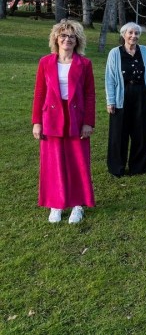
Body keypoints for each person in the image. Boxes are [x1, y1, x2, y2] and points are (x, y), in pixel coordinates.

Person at [32, 20, 95, 224]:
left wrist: (88, 122)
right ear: (56, 39)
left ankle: (77, 205)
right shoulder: (45, 62)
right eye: (63, 36)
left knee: (78, 162)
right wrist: (36, 122)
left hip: (76, 117)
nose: (67, 39)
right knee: (53, 163)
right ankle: (56, 204)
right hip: (51, 118)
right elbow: (39, 93)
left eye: (71, 36)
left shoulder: (85, 64)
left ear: (77, 40)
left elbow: (90, 95)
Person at [105, 22, 146, 177]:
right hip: (122, 94)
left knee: (141, 131)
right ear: (123, 34)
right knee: (119, 133)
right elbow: (110, 78)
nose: (133, 36)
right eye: (130, 33)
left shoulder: (145, 51)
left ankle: (138, 167)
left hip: (142, 94)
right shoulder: (115, 53)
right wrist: (110, 100)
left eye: (136, 33)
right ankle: (117, 167)